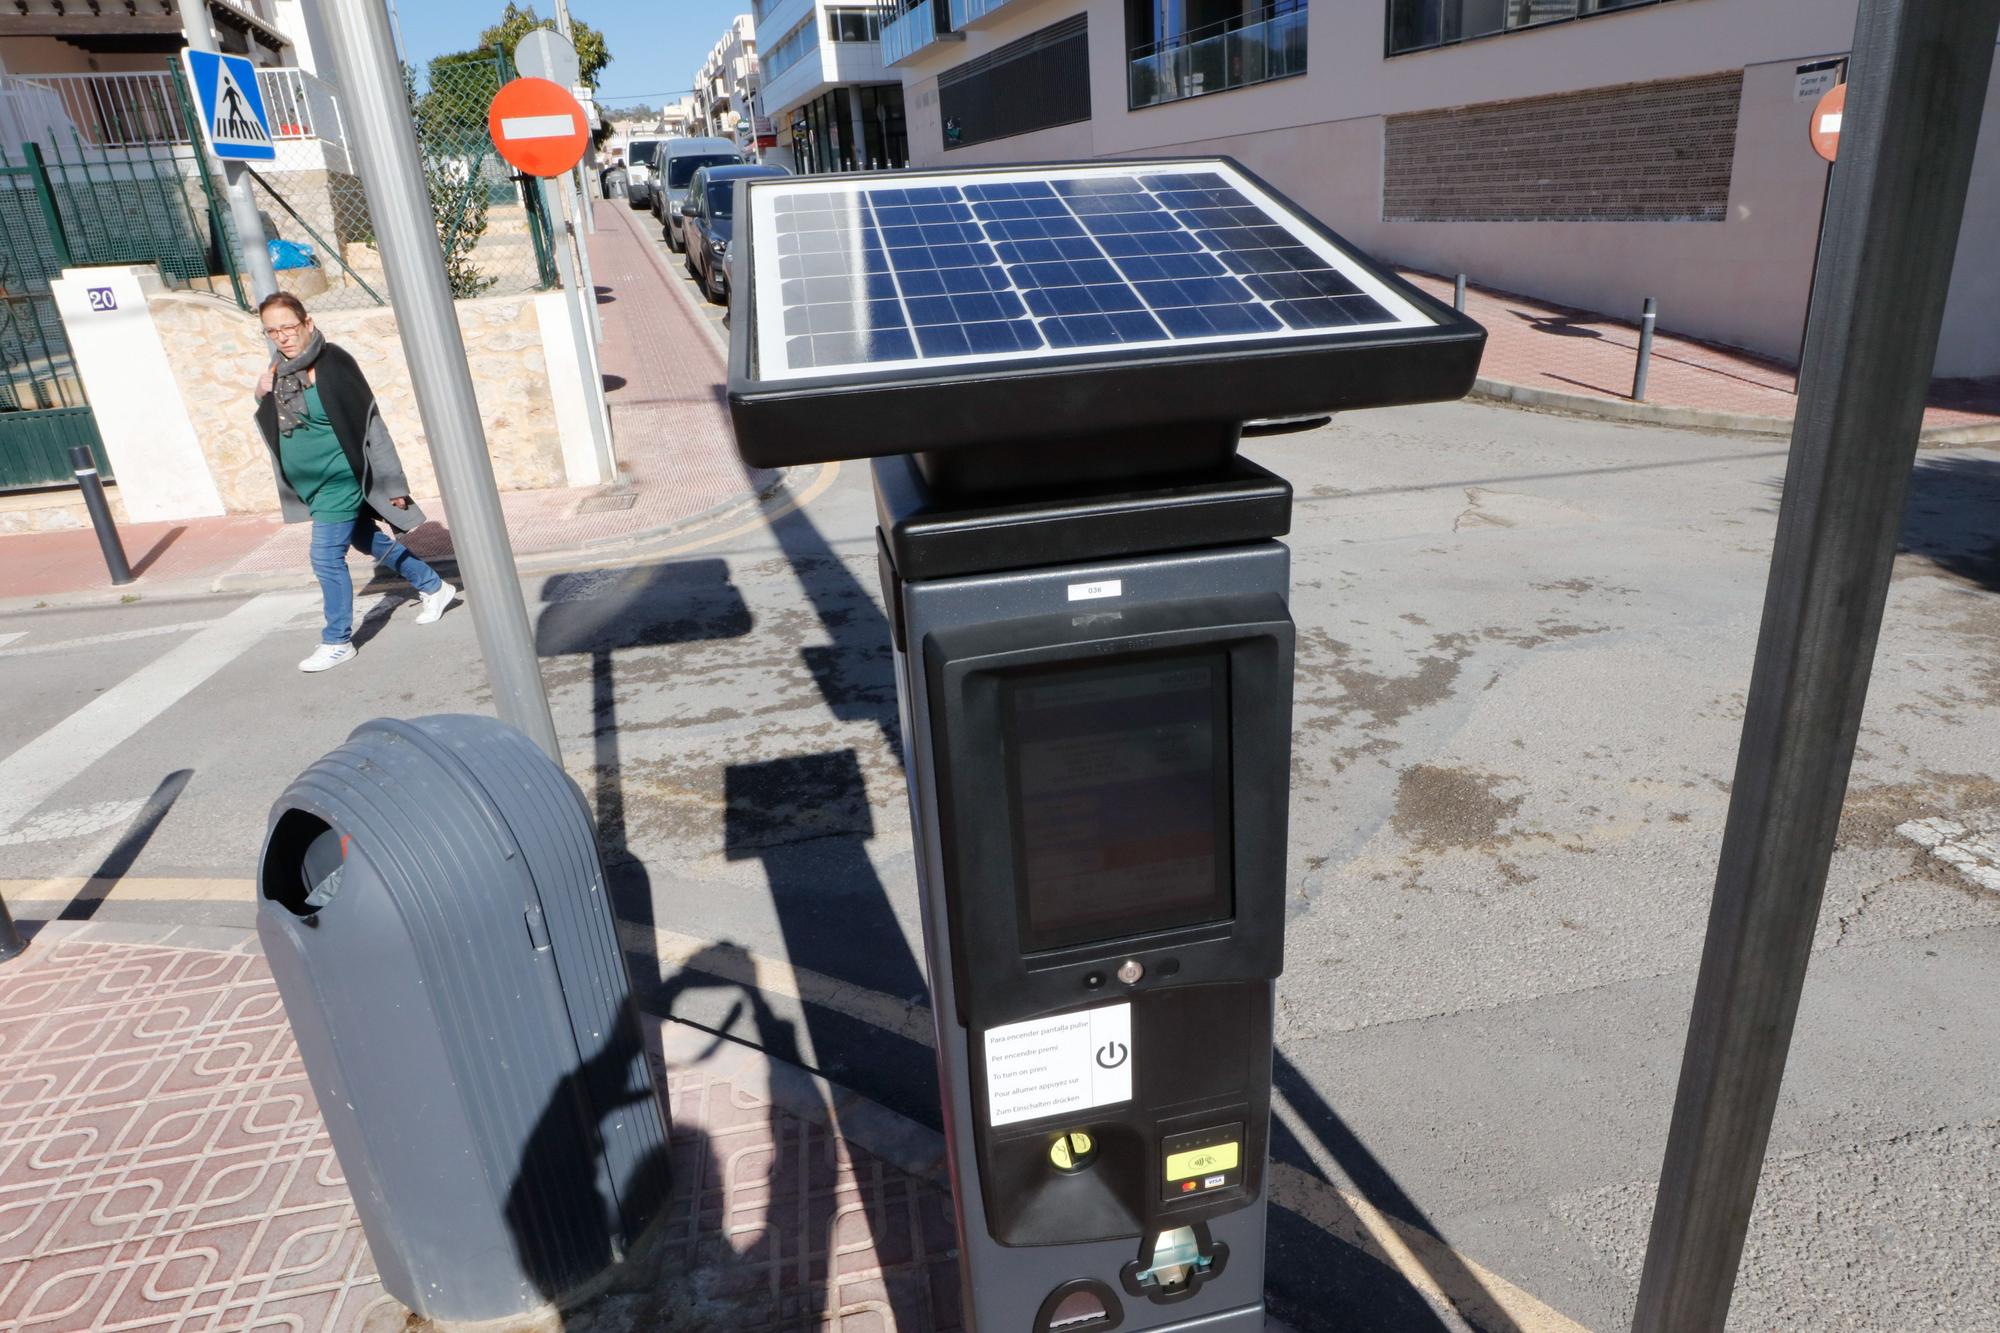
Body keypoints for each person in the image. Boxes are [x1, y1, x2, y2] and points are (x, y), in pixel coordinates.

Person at [252, 292, 459, 672]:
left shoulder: (335, 364)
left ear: (308, 323)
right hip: (311, 484)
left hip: (340, 478)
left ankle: (337, 640)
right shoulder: (279, 369)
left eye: (288, 327)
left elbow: (371, 424)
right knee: (367, 540)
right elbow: (276, 413)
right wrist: (261, 391)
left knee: (326, 557)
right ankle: (434, 586)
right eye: (272, 330)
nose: (282, 336)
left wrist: (394, 484)